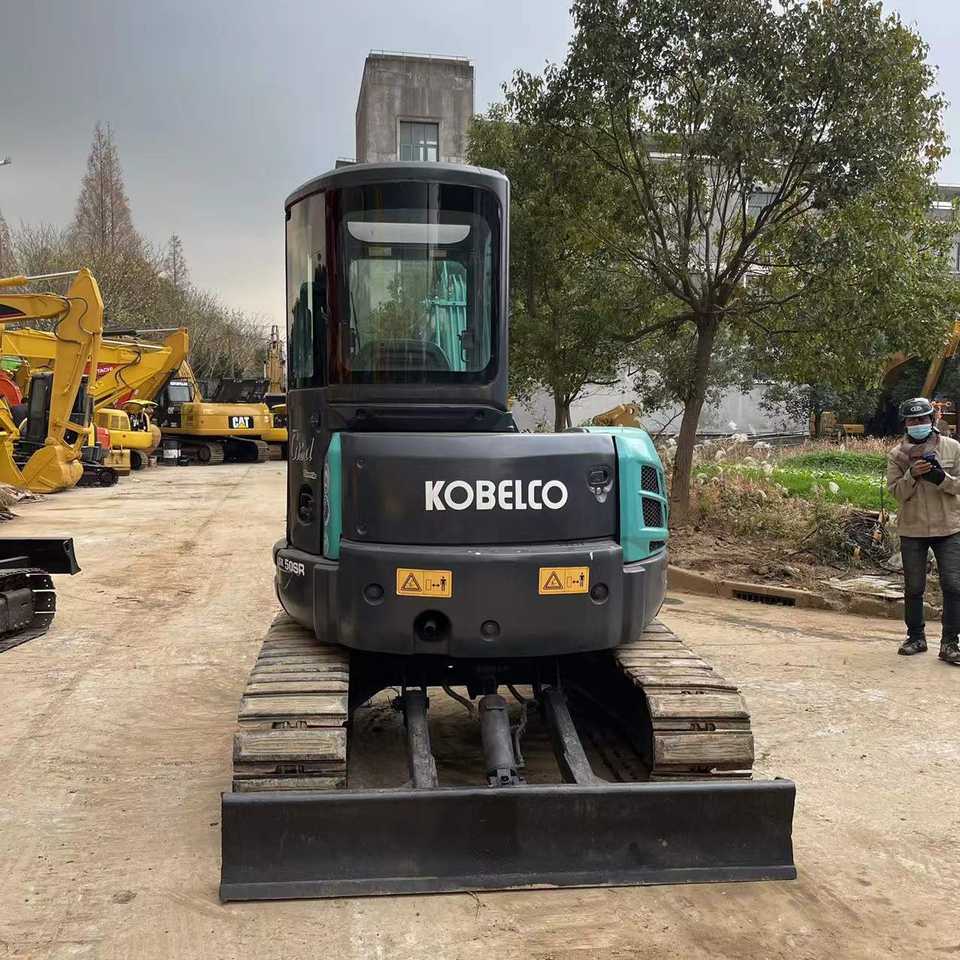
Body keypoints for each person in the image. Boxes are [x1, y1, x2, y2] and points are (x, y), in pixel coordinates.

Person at [887, 397, 960, 664]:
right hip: (913, 528)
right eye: (912, 420)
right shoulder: (897, 455)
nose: (918, 423)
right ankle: (915, 638)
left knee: (953, 586)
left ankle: (950, 643)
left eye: (922, 419)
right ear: (905, 424)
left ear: (932, 420)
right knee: (914, 587)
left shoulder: (952, 448)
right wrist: (912, 475)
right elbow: (896, 492)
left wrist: (942, 478)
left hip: (949, 526)